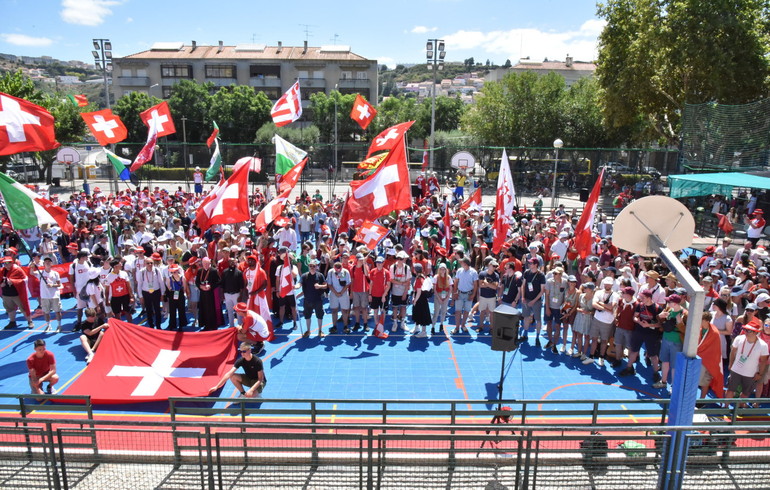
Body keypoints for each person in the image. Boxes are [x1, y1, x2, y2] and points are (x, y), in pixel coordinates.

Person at [725, 318, 769, 403]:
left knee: (745, 393)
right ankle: (725, 408)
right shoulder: (739, 338)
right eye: (746, 329)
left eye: (749, 330)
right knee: (730, 390)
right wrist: (731, 364)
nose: (746, 332)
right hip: (735, 370)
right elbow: (733, 351)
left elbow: (763, 361)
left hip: (750, 373)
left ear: (756, 333)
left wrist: (760, 373)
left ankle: (740, 408)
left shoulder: (763, 345)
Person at [584, 277, 618, 367]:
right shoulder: (599, 292)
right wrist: (605, 308)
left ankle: (601, 357)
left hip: (607, 322)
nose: (607, 285)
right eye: (606, 284)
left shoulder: (615, 295)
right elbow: (594, 304)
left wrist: (601, 303)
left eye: (609, 284)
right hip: (597, 319)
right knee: (594, 338)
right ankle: (591, 357)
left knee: (604, 340)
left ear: (612, 285)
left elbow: (611, 307)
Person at [655, 294, 687, 389]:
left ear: (675, 303)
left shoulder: (685, 314)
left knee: (674, 365)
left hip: (677, 342)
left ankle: (673, 386)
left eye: (669, 302)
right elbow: (661, 323)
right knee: (664, 361)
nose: (667, 303)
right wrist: (660, 316)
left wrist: (680, 323)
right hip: (666, 338)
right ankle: (663, 381)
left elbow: (687, 331)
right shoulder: (668, 310)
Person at [0, 256, 34, 330]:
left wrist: (13, 281)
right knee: (10, 309)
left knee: (24, 308)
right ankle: (12, 322)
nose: (5, 265)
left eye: (7, 263)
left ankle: (29, 321)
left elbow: (24, 280)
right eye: (4, 263)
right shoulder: (2, 271)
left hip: (17, 294)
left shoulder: (17, 270)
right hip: (6, 294)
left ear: (11, 263)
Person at [519, 258, 545, 345]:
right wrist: (523, 297)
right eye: (529, 263)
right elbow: (523, 285)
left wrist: (534, 301)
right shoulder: (527, 272)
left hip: (536, 301)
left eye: (531, 263)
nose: (529, 265)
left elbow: (542, 291)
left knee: (538, 319)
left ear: (536, 265)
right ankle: (525, 335)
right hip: (527, 299)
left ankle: (537, 337)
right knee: (526, 317)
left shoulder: (541, 275)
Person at [137, 254, 165, 329]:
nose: (150, 264)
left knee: (157, 310)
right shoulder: (141, 272)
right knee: (149, 310)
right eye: (148, 263)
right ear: (144, 264)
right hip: (146, 293)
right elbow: (139, 284)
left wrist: (162, 294)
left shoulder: (157, 270)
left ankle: (158, 325)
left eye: (151, 263)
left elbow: (161, 282)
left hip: (156, 292)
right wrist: (140, 296)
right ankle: (151, 325)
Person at [300, 259, 327, 338]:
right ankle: (308, 330)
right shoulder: (304, 276)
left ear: (316, 267)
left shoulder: (320, 275)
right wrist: (296, 286)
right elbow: (299, 283)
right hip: (307, 300)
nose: (312, 267)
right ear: (308, 267)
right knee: (307, 316)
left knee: (319, 315)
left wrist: (319, 286)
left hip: (318, 299)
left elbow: (325, 285)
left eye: (313, 266)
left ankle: (320, 330)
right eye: (310, 266)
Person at [544, 267, 568, 352]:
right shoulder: (549, 281)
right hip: (549, 306)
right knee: (549, 324)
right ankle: (550, 340)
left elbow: (566, 296)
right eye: (553, 273)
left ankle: (555, 344)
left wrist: (563, 308)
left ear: (560, 274)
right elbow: (546, 295)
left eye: (556, 273)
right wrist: (547, 308)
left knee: (558, 326)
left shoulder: (565, 282)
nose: (553, 275)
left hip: (559, 308)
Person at [196, 257, 221, 331]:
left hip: (211, 293)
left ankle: (212, 325)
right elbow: (197, 282)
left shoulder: (214, 271)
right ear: (202, 264)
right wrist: (200, 286)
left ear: (210, 263)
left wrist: (210, 286)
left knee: (211, 309)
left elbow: (219, 281)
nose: (206, 265)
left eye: (207, 263)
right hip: (203, 293)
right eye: (204, 263)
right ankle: (206, 325)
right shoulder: (200, 271)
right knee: (204, 309)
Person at [38, 257, 63, 332]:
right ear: (44, 264)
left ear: (51, 263)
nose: (48, 263)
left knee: (57, 311)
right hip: (44, 296)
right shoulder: (40, 273)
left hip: (54, 295)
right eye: (46, 262)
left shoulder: (55, 273)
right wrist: (33, 266)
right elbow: (31, 272)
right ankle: (48, 326)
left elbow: (59, 284)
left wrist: (52, 285)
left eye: (49, 261)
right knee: (46, 312)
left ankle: (59, 326)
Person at [390, 251, 413, 332]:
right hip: (395, 291)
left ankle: (403, 322)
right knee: (395, 307)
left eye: (401, 259)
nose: (399, 260)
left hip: (403, 291)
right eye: (398, 258)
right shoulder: (393, 267)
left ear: (404, 259)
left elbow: (408, 281)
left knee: (403, 307)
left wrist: (405, 292)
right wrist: (402, 283)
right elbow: (391, 280)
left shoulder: (407, 268)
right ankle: (395, 323)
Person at [327, 260, 352, 334]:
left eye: (339, 267)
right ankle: (334, 326)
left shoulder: (345, 272)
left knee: (344, 310)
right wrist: (336, 293)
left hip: (343, 293)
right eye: (336, 268)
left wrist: (341, 292)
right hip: (334, 293)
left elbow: (348, 283)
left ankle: (345, 326)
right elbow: (329, 284)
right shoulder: (330, 272)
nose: (338, 269)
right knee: (334, 310)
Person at [476, 260, 500, 334]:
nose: (495, 268)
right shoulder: (482, 274)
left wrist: (486, 284)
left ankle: (492, 328)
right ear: (489, 265)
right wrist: (490, 285)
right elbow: (480, 285)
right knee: (482, 312)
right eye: (494, 266)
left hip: (492, 297)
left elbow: (495, 287)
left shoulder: (496, 275)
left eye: (496, 266)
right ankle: (481, 326)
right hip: (483, 296)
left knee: (492, 313)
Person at [368, 256, 391, 331]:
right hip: (374, 294)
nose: (378, 264)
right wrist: (370, 294)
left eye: (380, 262)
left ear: (383, 263)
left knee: (383, 311)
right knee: (375, 310)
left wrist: (384, 295)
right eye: (377, 262)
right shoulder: (372, 271)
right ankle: (376, 325)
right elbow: (371, 283)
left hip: (383, 295)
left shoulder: (386, 272)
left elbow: (388, 285)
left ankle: (381, 325)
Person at [165, 264, 190, 331]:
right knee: (172, 310)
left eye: (174, 272)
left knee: (181, 310)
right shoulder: (169, 278)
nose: (173, 273)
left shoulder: (183, 278)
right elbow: (169, 287)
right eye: (172, 272)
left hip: (180, 294)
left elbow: (184, 288)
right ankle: (172, 324)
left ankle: (181, 324)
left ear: (177, 271)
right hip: (172, 294)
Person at [431, 263, 454, 335]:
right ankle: (433, 326)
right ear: (439, 269)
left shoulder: (448, 277)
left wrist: (447, 297)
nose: (442, 270)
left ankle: (441, 324)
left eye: (444, 269)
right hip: (438, 294)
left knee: (444, 311)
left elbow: (450, 288)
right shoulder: (436, 277)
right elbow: (434, 289)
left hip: (445, 295)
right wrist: (439, 298)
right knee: (436, 312)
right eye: (441, 269)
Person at [411, 263, 433, 337]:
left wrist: (415, 300)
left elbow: (419, 291)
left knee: (422, 315)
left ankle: (424, 332)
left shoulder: (419, 279)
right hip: (422, 298)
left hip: (420, 299)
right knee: (418, 313)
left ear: (415, 270)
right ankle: (417, 327)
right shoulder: (422, 276)